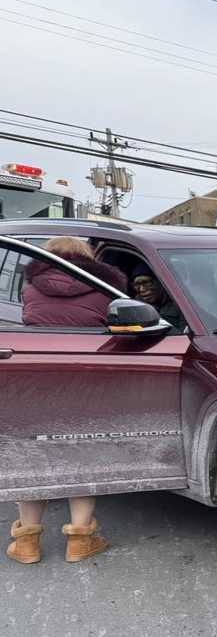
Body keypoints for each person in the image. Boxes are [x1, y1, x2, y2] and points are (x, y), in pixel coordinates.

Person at [9, 236, 125, 564]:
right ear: (86, 259)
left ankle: (28, 544)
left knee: (31, 460)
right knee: (81, 454)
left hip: (33, 382)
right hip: (85, 381)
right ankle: (80, 539)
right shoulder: (106, 292)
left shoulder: (29, 290)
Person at [129, 263, 183, 330]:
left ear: (160, 282)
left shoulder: (180, 303)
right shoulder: (134, 306)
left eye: (146, 282)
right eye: (137, 285)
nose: (142, 289)